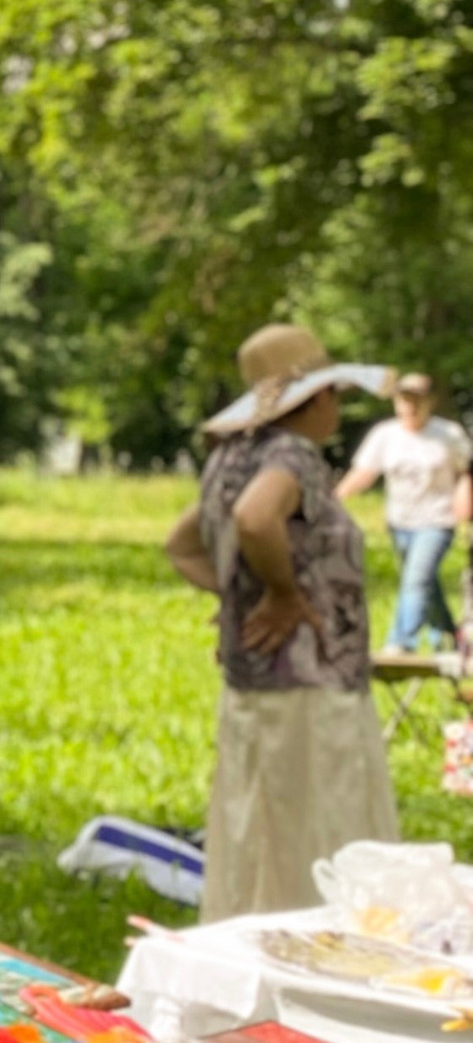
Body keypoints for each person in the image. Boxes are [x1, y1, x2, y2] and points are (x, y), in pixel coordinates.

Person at [163, 323, 400, 922]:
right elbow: (254, 517)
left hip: (258, 675)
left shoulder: (231, 458)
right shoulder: (293, 456)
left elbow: (182, 545)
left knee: (260, 821)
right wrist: (281, 594)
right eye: (333, 394)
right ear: (313, 399)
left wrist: (238, 595)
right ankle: (319, 943)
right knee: (318, 821)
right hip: (311, 677)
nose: (337, 408)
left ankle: (254, 936)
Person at [340, 372, 473, 656]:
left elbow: (466, 470)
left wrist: (465, 496)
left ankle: (401, 642)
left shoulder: (448, 434)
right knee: (425, 582)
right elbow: (364, 472)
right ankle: (448, 636)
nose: (409, 406)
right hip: (400, 522)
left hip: (437, 520)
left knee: (416, 579)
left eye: (416, 400)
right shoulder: (385, 435)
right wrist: (333, 498)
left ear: (430, 402)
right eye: (404, 400)